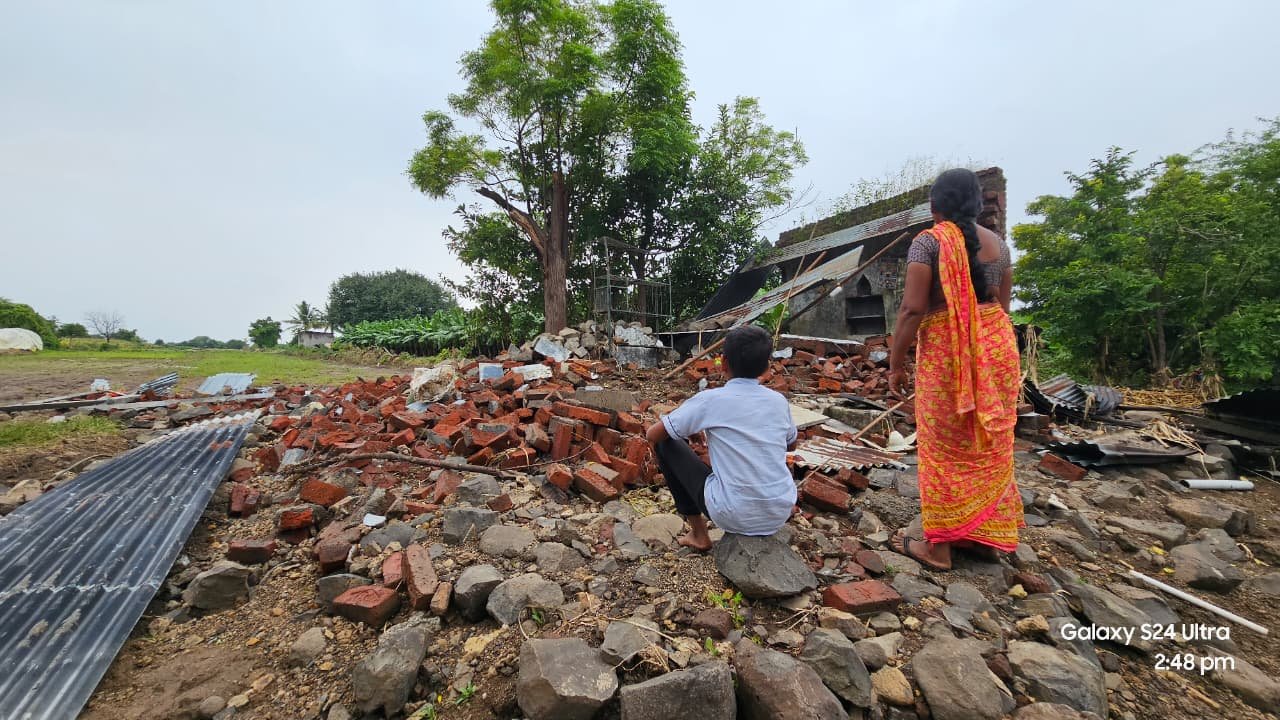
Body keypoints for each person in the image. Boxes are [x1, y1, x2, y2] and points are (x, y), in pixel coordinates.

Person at [887, 168, 1022, 571]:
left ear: (934, 205)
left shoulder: (928, 243)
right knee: (988, 444)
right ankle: (983, 538)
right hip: (997, 352)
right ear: (978, 205)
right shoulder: (1000, 247)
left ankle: (939, 548)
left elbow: (912, 309)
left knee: (943, 448)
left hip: (949, 353)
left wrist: (896, 364)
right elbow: (1001, 309)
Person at [646, 325, 799, 551]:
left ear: (723, 363)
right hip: (779, 511)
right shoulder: (778, 401)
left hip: (732, 512)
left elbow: (653, 434)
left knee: (665, 443)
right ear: (767, 367)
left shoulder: (711, 400)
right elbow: (791, 445)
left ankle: (699, 534)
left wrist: (687, 427)